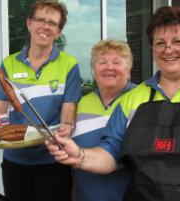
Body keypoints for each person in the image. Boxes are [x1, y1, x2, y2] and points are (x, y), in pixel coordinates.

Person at [46, 6, 180, 201]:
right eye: (160, 43)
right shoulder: (132, 100)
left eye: (178, 42)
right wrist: (79, 155)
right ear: (152, 49)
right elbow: (112, 153)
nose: (168, 50)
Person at [0, 1, 81, 201]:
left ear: (58, 32)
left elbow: (68, 110)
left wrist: (67, 125)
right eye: (40, 19)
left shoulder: (70, 65)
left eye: (52, 23)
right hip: (14, 159)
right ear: (29, 24)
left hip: (53, 158)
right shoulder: (8, 64)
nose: (45, 26)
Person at [71, 39, 136, 201]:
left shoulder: (140, 99)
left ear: (128, 70)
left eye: (117, 62)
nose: (109, 67)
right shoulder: (82, 103)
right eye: (102, 62)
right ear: (93, 71)